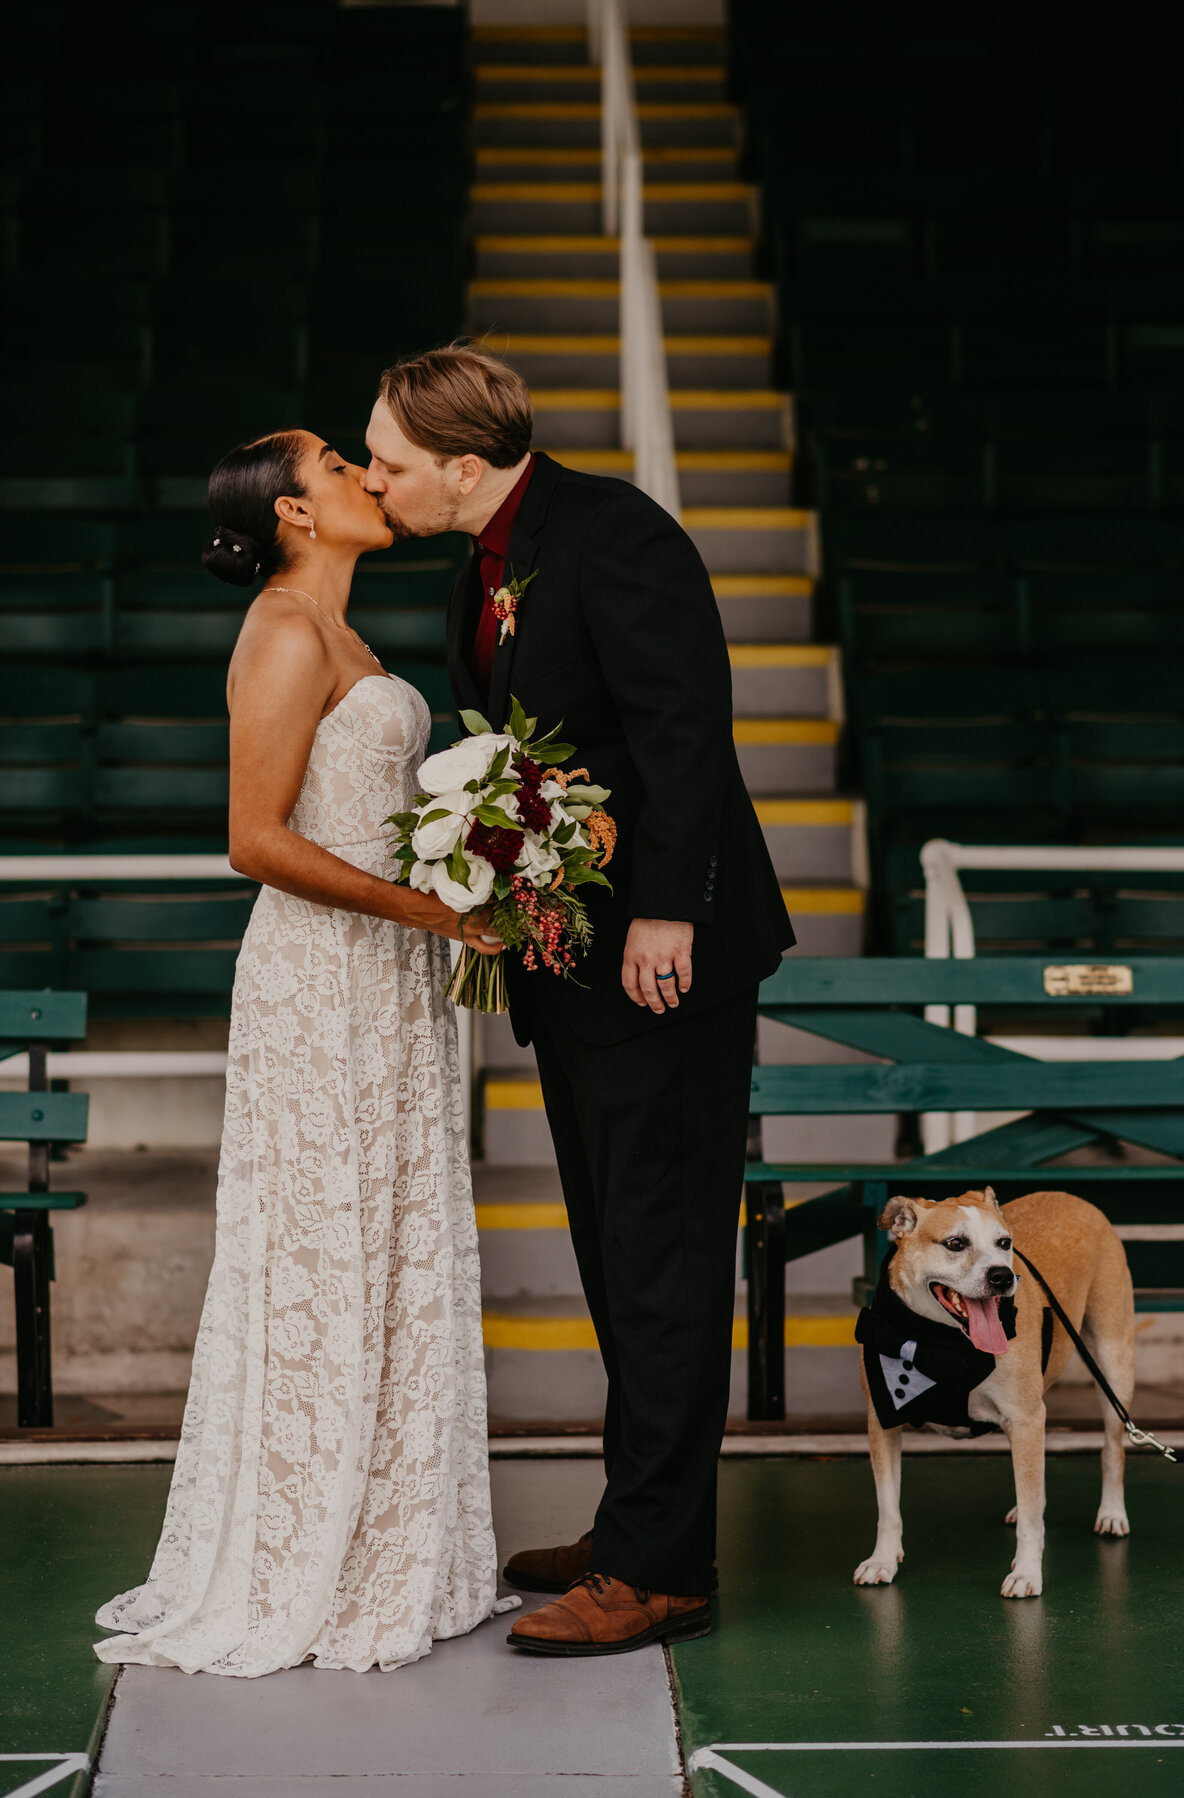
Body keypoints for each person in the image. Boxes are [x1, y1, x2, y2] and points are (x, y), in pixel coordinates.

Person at [365, 347, 794, 1656]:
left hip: (660, 964)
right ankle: (632, 1522)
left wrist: (667, 906)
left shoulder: (614, 535)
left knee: (661, 1261)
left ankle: (662, 1569)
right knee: (618, 1259)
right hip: (574, 968)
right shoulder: (478, 567)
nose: (375, 478)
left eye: (387, 458)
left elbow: (682, 727)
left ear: (462, 461)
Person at [95, 429, 505, 1676]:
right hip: (322, 978)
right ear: (294, 512)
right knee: (323, 1245)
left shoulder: (353, 637)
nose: (366, 475)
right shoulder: (282, 630)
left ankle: (391, 1537)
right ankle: (295, 1553)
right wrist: (440, 911)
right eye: (338, 464)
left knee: (388, 1240)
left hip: (387, 980)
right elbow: (255, 840)